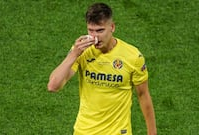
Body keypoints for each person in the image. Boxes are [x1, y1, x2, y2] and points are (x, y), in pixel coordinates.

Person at [48, 2, 157, 135]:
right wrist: (74, 54)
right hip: (84, 131)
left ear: (112, 27)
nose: (95, 37)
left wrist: (152, 132)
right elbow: (53, 86)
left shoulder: (133, 56)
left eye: (100, 30)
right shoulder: (82, 52)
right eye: (90, 30)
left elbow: (143, 94)